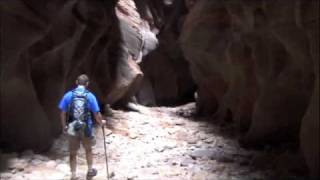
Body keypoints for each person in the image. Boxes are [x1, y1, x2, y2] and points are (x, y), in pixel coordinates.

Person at [58, 74, 106, 179]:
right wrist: (101, 122)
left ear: (76, 82)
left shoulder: (68, 95)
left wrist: (64, 126)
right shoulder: (90, 96)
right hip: (86, 127)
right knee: (88, 150)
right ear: (87, 84)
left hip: (72, 127)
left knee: (73, 153)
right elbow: (96, 114)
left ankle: (73, 175)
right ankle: (89, 171)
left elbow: (62, 113)